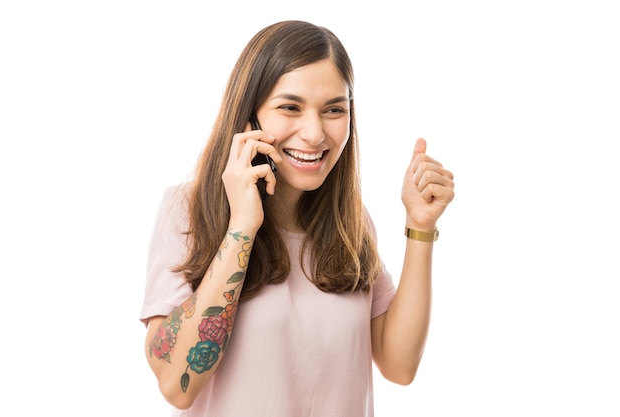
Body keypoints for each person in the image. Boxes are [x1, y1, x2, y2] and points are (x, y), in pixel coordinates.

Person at [139, 20, 455, 417]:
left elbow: (399, 364)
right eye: (290, 107)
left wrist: (420, 227)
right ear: (248, 115)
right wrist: (241, 227)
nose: (314, 133)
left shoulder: (350, 222)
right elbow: (175, 384)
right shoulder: (186, 209)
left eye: (334, 110)